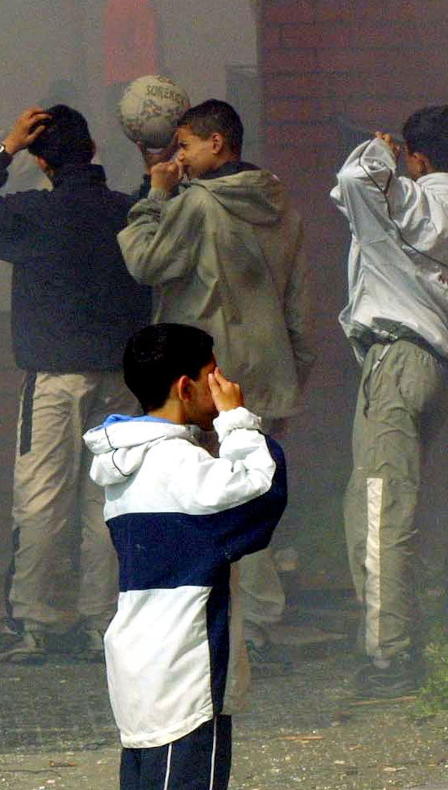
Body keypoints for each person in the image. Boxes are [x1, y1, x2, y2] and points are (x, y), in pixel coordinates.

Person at [76, 322, 287, 790]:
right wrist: (238, 419)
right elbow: (259, 496)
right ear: (185, 385)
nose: (221, 380)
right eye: (212, 372)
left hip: (142, 660)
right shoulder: (176, 465)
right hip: (182, 672)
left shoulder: (127, 457)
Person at [0, 106, 152, 663]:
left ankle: (34, 621)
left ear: (40, 159)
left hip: (56, 376)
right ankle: (102, 623)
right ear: (92, 152)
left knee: (40, 501)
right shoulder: (126, 212)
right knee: (108, 503)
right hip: (122, 379)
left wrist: (1, 150)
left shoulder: (35, 213)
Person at [117, 99, 313, 667]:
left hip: (205, 378)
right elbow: (299, 306)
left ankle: (220, 622)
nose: (177, 156)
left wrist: (155, 196)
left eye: (184, 145)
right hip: (268, 372)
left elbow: (145, 262)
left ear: (216, 143)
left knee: (208, 496)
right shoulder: (282, 206)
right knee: (251, 492)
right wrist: (292, 374)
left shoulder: (198, 204)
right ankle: (262, 621)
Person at [332, 106, 448, 697]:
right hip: (440, 368)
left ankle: (389, 657)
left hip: (396, 361)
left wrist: (378, 154)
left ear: (416, 157)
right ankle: (393, 636)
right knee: (387, 505)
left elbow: (354, 183)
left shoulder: (414, 203)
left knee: (377, 509)